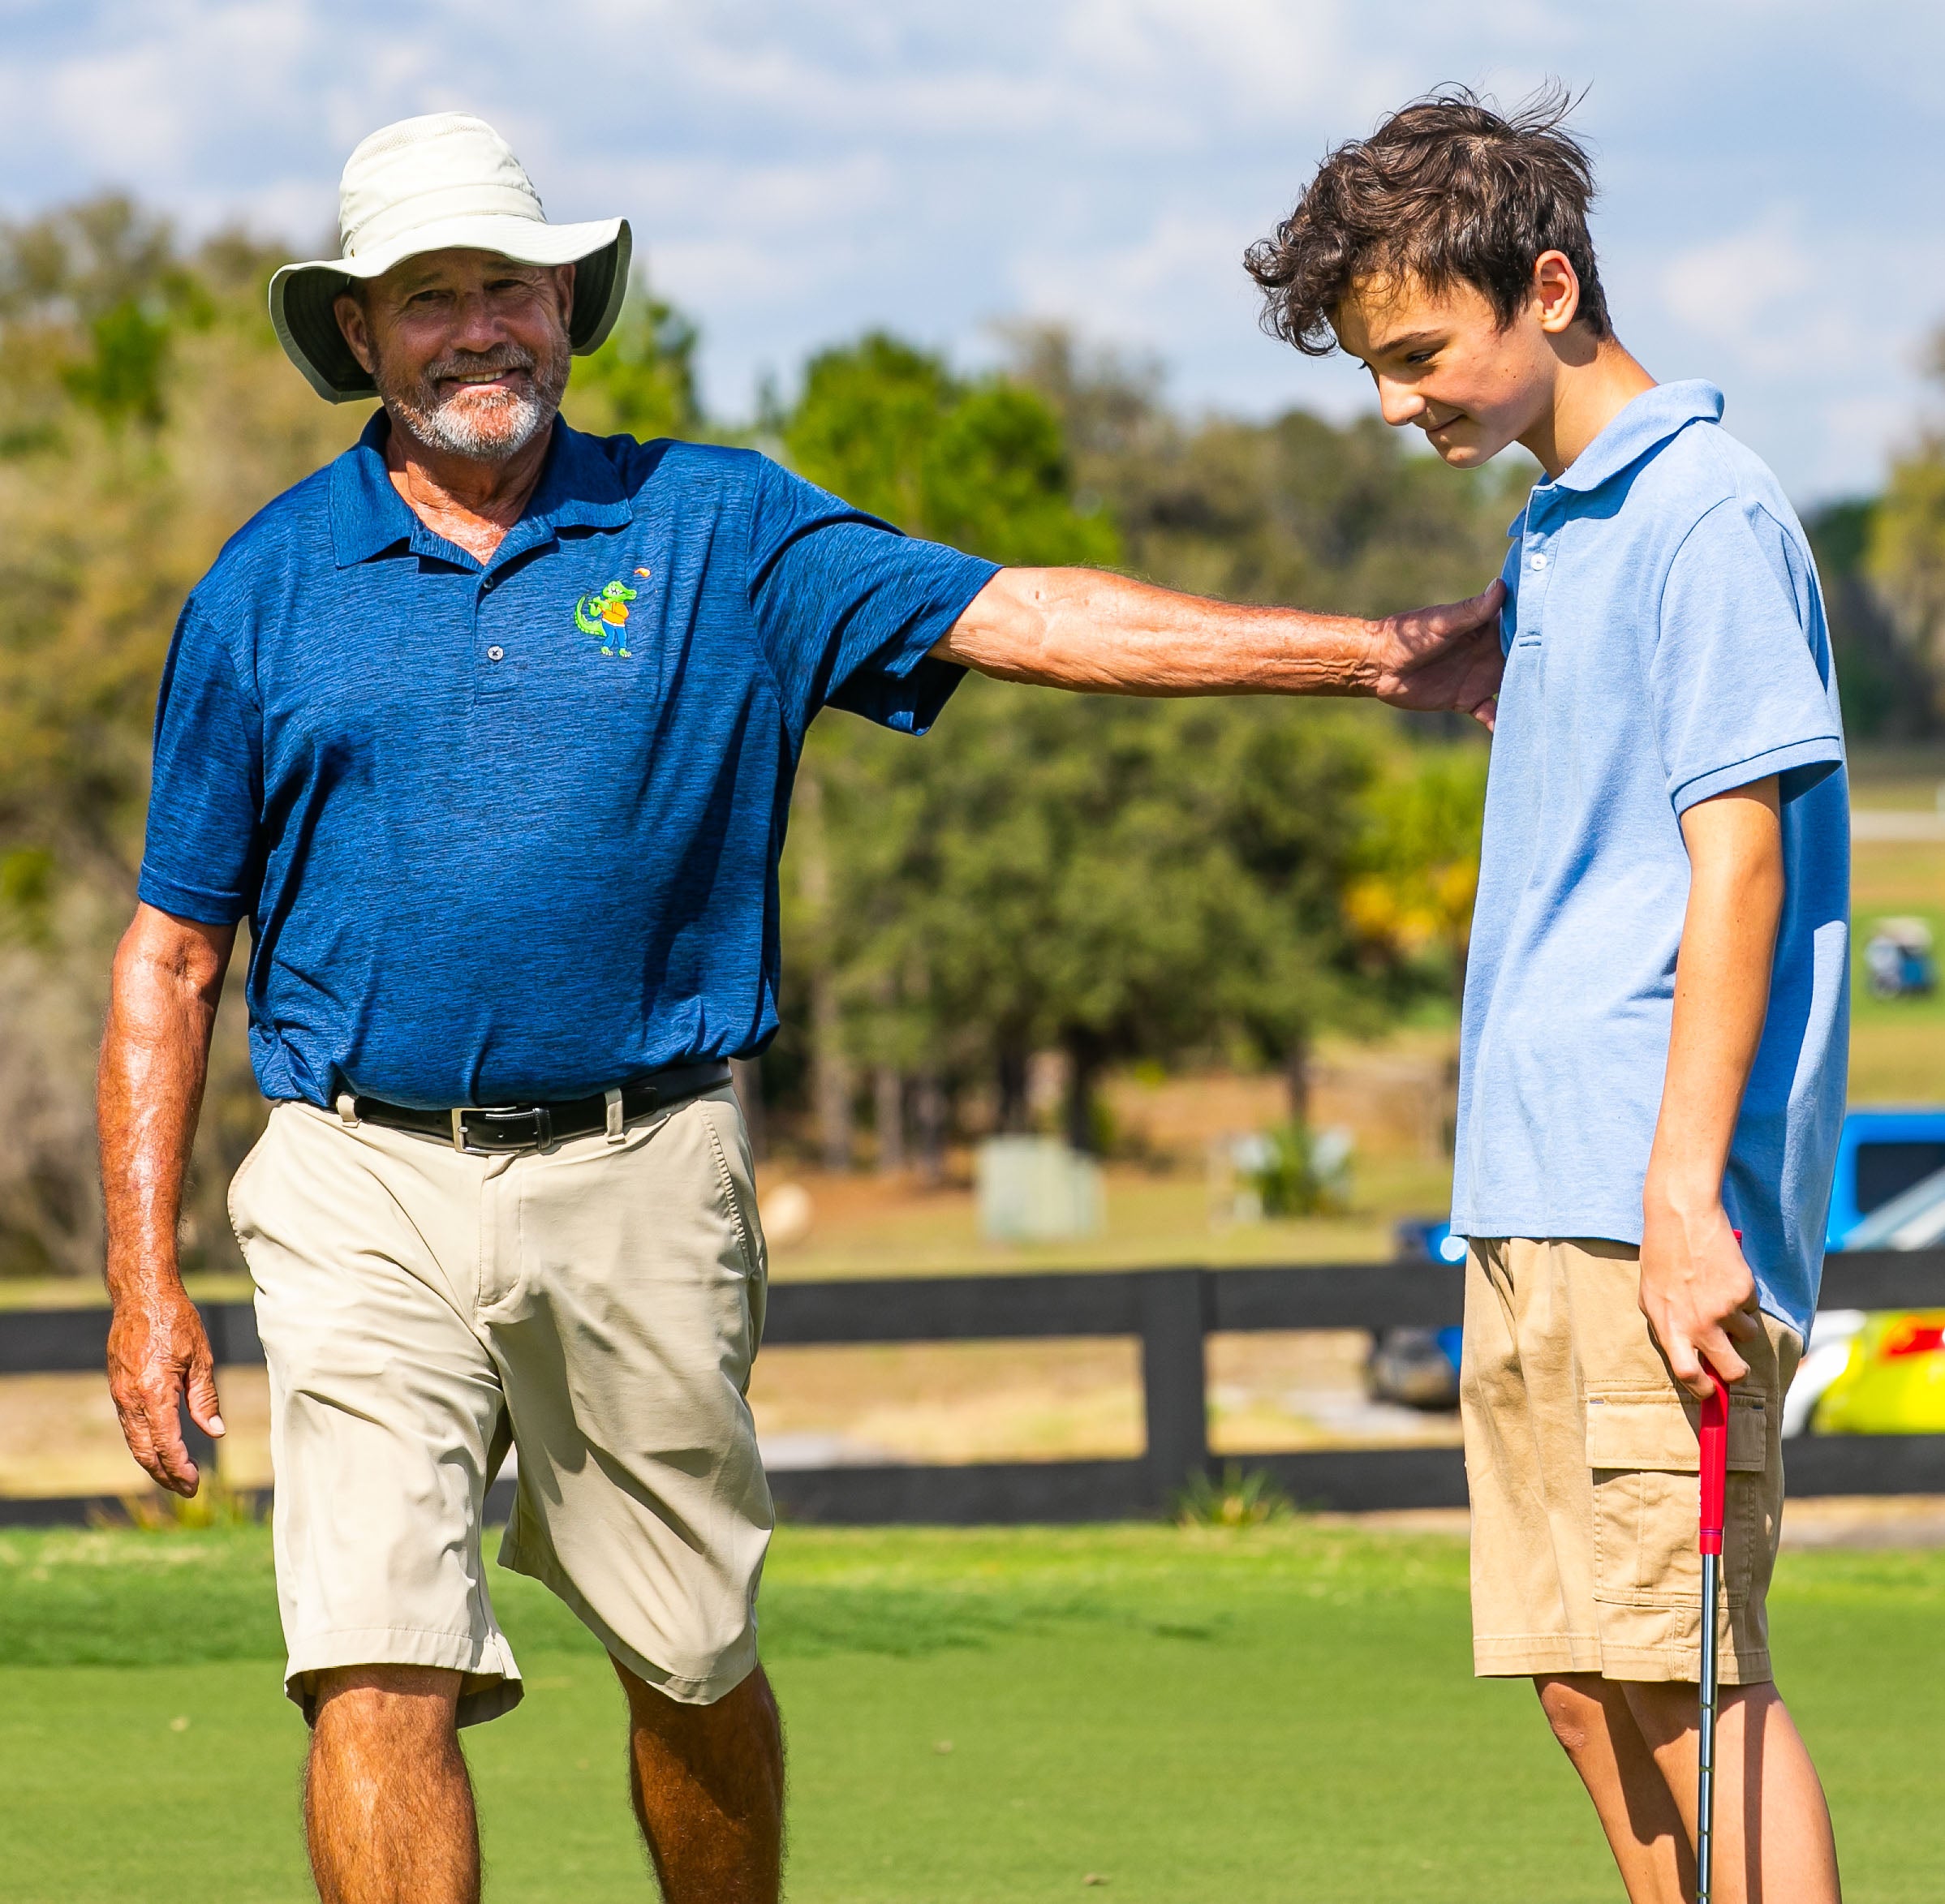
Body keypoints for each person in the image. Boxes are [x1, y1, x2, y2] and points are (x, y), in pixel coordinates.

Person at [99, 112, 1505, 1904]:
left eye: (508, 286)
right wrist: (145, 1289)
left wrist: (1362, 651)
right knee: (375, 1660)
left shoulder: (720, 526)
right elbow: (169, 952)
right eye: (430, 297)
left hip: (644, 1162)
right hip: (358, 1173)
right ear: (360, 336)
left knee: (685, 1657)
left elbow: (1029, 613)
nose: (478, 329)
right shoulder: (264, 588)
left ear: (565, 306)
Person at [1246, 88, 1847, 1904]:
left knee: (1687, 1681)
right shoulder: (1564, 526)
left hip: (1633, 1199)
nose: (1393, 401)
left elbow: (1735, 860)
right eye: (1369, 366)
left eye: (1418, 352)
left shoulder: (1706, 512)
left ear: (1551, 287)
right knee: (1584, 1684)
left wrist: (1680, 1203)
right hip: (1526, 1196)